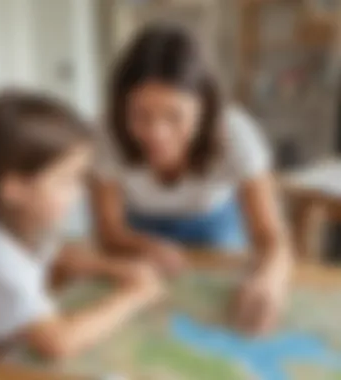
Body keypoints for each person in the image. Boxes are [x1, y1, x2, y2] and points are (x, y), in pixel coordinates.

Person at [92, 23, 292, 334]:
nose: (157, 134)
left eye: (175, 116)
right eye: (140, 115)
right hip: (135, 231)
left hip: (214, 225)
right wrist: (142, 244)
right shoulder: (106, 131)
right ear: (121, 107)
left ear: (204, 109)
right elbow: (108, 232)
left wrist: (269, 279)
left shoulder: (236, 132)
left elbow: (271, 236)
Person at [0, 90, 163, 365]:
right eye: (67, 180)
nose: (79, 193)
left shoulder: (21, 220)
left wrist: (115, 269)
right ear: (14, 188)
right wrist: (134, 297)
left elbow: (60, 254)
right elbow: (58, 342)